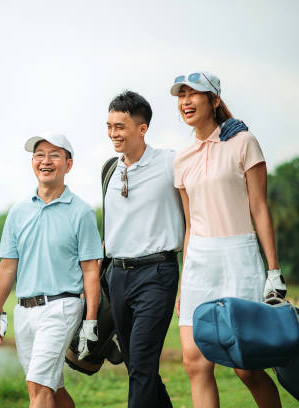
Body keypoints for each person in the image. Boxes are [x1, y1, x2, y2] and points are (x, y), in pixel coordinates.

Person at [171, 71, 286, 407]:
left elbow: (259, 208)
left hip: (239, 256)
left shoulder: (244, 142)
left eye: (194, 94)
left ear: (215, 100)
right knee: (195, 363)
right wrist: (184, 281)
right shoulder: (182, 159)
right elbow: (190, 225)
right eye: (181, 95)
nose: (186, 101)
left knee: (246, 366)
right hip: (199, 264)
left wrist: (274, 270)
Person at [0, 132, 102, 408]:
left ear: (68, 164)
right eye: (39, 154)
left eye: (54, 155)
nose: (45, 161)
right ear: (32, 162)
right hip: (24, 311)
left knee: (38, 387)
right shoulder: (18, 211)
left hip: (61, 307)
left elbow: (90, 270)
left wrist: (91, 321)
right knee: (52, 389)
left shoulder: (81, 212)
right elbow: (6, 266)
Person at [103, 91, 184, 408]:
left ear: (142, 128)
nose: (113, 133)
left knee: (142, 366)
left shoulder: (170, 162)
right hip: (118, 277)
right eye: (109, 126)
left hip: (157, 273)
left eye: (120, 126)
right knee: (138, 366)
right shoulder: (109, 170)